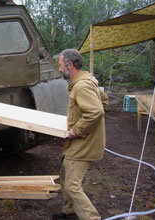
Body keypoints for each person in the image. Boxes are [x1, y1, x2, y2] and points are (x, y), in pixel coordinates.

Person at [53, 49, 108, 220]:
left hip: (84, 144)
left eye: (61, 65)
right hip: (82, 141)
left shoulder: (82, 85)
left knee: (72, 186)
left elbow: (95, 111)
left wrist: (76, 130)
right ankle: (69, 212)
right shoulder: (86, 80)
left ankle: (92, 218)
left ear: (70, 65)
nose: (60, 69)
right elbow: (103, 100)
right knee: (65, 174)